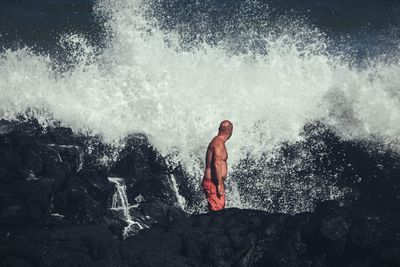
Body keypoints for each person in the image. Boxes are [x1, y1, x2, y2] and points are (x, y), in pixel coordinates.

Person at [202, 120, 233, 211]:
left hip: (214, 182)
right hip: (213, 183)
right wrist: (219, 184)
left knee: (218, 211)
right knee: (217, 212)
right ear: (230, 131)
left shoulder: (217, 141)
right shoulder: (218, 143)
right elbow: (216, 163)